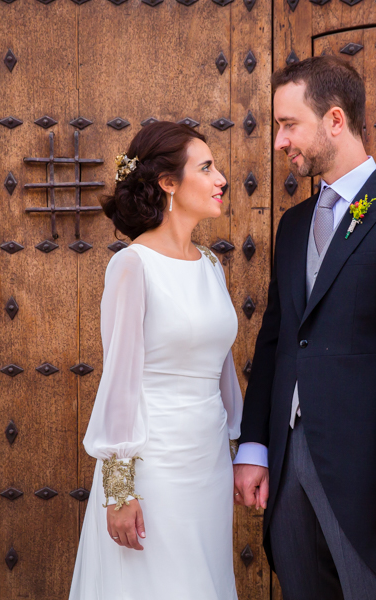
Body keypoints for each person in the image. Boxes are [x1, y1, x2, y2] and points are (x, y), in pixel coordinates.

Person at [233, 56, 376, 600]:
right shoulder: (294, 224)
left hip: (366, 467)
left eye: (288, 125)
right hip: (287, 464)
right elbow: (279, 339)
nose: (280, 141)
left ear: (334, 120)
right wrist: (255, 444)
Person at [68, 121, 241, 600]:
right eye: (206, 168)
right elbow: (120, 380)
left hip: (207, 463)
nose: (221, 178)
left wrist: (236, 449)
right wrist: (119, 489)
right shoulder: (132, 265)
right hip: (155, 465)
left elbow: (222, 370)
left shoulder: (211, 265)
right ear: (168, 182)